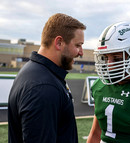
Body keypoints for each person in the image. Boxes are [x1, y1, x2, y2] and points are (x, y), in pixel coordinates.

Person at [8, 13, 86, 143]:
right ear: (59, 42)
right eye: (78, 45)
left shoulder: (35, 72)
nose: (81, 52)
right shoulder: (43, 87)